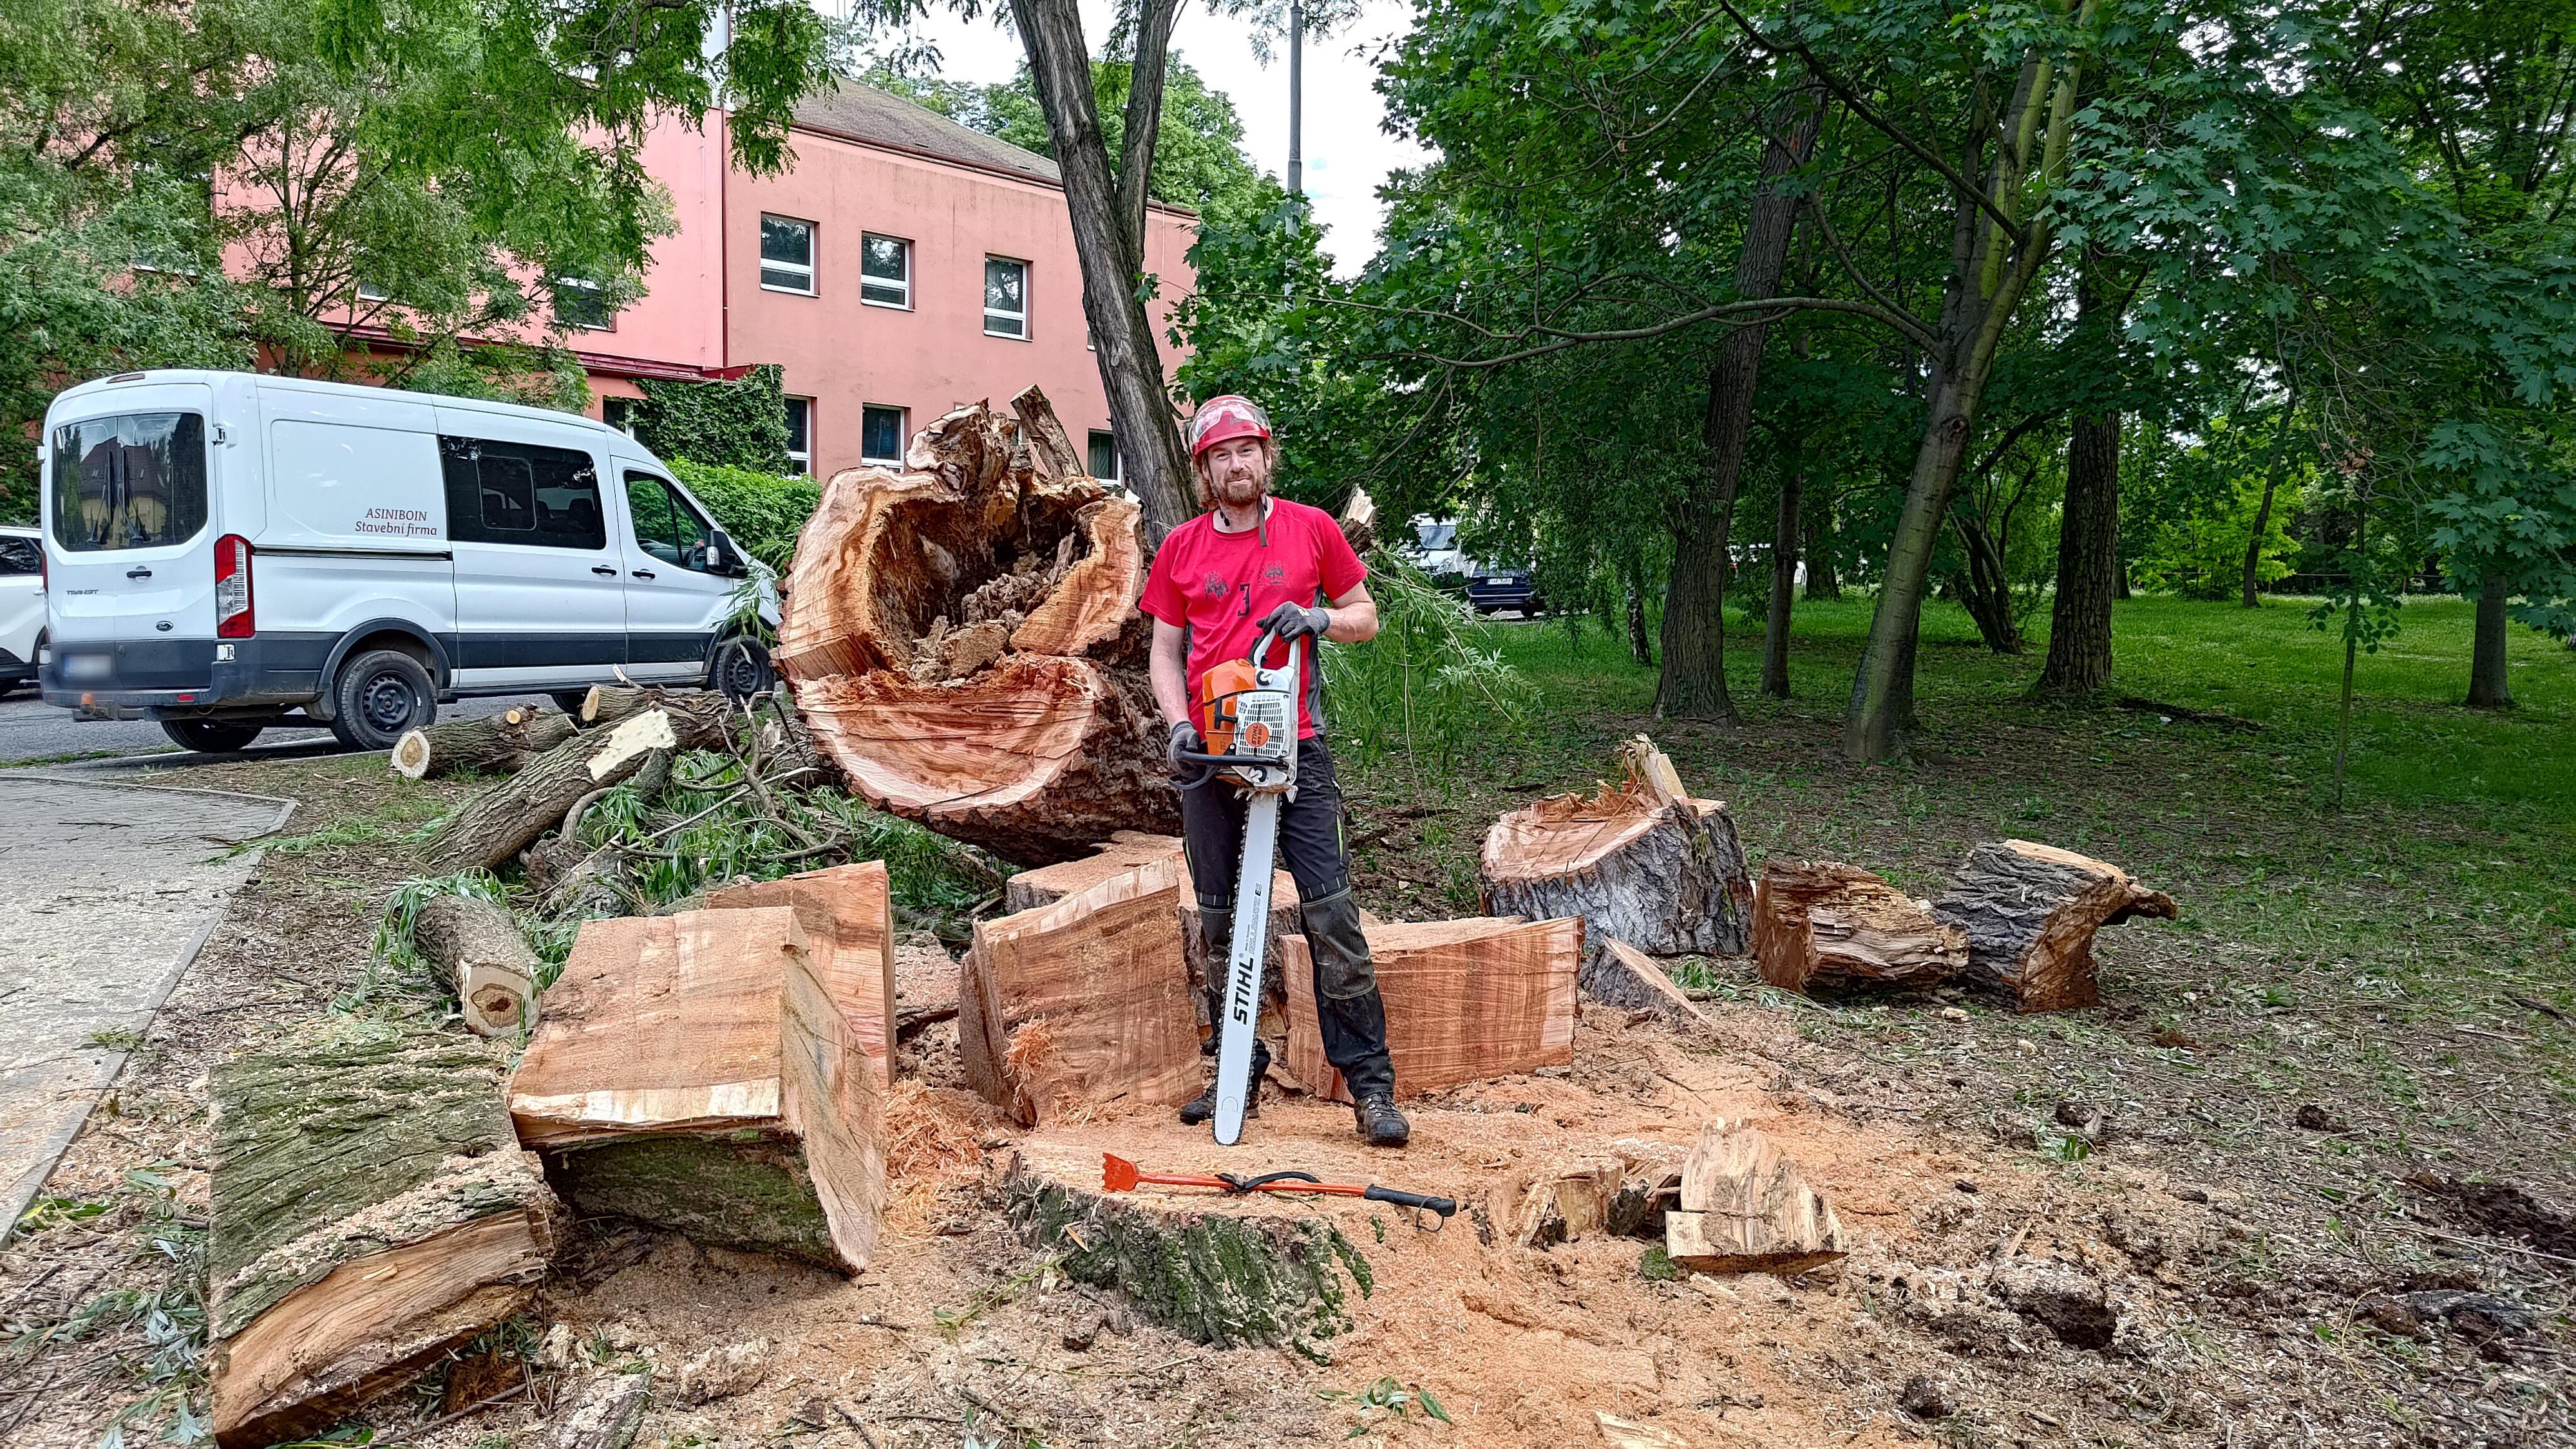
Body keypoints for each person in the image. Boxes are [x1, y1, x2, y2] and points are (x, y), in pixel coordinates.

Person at [1137, 394, 1408, 1148]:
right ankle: (1236, 1070)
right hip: (1212, 755)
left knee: (1332, 917)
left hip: (1298, 747)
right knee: (1219, 921)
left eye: (1246, 451)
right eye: (1221, 456)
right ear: (1205, 470)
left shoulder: (1311, 529)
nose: (1237, 465)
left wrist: (1318, 618)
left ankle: (1371, 1088)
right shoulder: (1181, 547)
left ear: (1265, 456)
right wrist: (1179, 725)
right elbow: (1164, 653)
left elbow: (1365, 615)